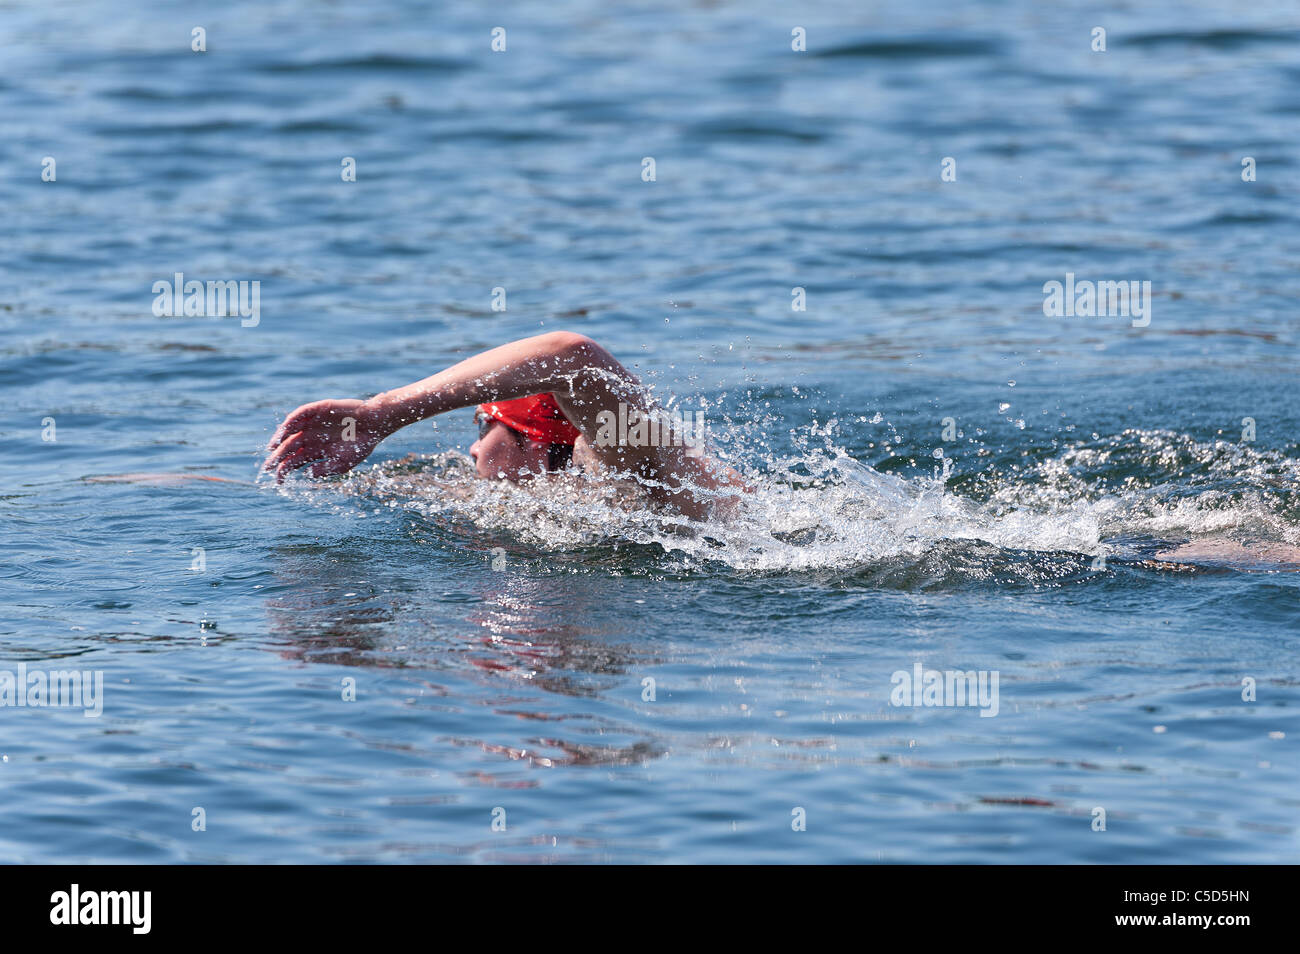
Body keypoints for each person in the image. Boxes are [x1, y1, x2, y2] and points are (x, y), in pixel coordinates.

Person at [263, 331, 748, 519]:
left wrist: (382, 412)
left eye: (482, 430)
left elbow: (571, 354)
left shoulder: (634, 468)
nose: (472, 452)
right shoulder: (528, 498)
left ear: (535, 441)